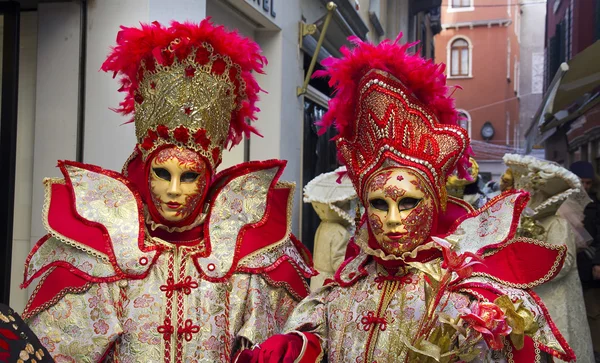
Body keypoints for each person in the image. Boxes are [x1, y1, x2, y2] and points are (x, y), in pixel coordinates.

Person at [237, 36, 574, 362]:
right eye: (379, 204)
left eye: (409, 202)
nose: (393, 219)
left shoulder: (469, 300)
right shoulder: (341, 292)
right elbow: (314, 339)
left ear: (436, 201)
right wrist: (294, 347)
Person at [20, 20, 314, 362]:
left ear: (208, 175)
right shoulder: (101, 246)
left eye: (189, 177)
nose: (174, 190)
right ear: (146, 171)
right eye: (163, 173)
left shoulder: (251, 255)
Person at [503, 154, 594, 363]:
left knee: (555, 353)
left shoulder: (557, 223)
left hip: (556, 302)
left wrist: (525, 270)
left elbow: (563, 261)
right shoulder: (520, 222)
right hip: (530, 304)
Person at [303, 166, 358, 290]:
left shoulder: (323, 225)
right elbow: (338, 263)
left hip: (317, 277)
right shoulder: (340, 232)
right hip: (329, 281)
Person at [571, 160, 600, 359]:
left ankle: (595, 351)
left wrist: (598, 261)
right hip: (572, 266)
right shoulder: (562, 204)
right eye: (581, 182)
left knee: (593, 311)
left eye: (588, 183)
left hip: (591, 266)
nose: (585, 187)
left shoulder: (595, 205)